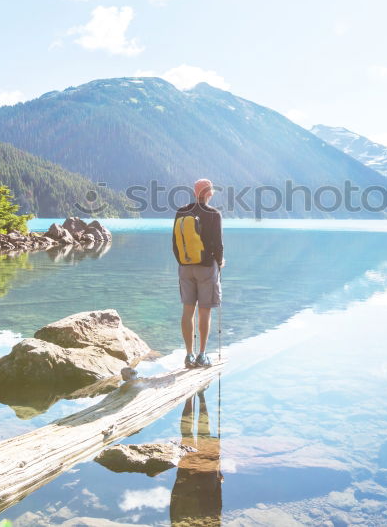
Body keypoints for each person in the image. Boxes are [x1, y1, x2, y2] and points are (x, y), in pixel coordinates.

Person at [173, 178, 224, 368]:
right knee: (204, 312)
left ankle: (188, 355)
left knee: (187, 310)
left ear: (195, 193)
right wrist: (220, 262)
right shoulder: (214, 214)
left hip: (185, 267)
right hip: (206, 268)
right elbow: (218, 245)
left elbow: (174, 244)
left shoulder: (181, 212)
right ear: (209, 193)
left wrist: (183, 262)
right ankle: (202, 355)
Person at [170, 388, 222, 526]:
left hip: (201, 480)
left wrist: (218, 473)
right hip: (197, 480)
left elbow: (217, 505)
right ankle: (197, 396)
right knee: (193, 435)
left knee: (193, 435)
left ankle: (195, 396)